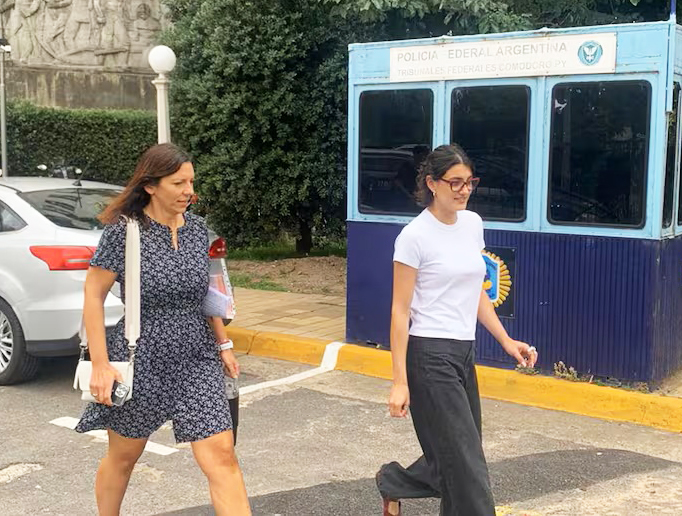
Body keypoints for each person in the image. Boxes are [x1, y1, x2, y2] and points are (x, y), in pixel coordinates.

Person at [75, 143, 251, 516]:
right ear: (151, 185)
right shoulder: (124, 232)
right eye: (179, 183)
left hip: (196, 355)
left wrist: (223, 344)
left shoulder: (198, 231)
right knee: (124, 457)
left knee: (222, 455)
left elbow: (210, 296)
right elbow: (93, 294)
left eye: (191, 182)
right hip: (142, 356)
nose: (189, 191)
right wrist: (101, 364)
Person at [375, 144, 537, 516]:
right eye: (455, 183)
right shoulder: (414, 237)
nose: (464, 190)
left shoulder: (472, 224)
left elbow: (476, 289)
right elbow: (400, 311)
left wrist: (505, 340)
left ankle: (394, 482)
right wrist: (399, 382)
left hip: (463, 353)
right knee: (468, 470)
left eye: (469, 182)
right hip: (429, 356)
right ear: (432, 183)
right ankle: (396, 483)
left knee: (458, 458)